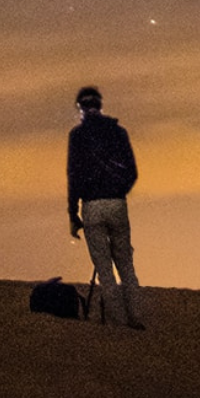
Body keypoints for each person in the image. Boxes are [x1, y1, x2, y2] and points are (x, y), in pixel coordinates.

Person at [66, 85, 145, 329]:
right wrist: (118, 191)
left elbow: (74, 176)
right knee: (126, 265)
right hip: (117, 204)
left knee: (105, 270)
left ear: (80, 108)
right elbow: (132, 171)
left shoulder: (77, 136)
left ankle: (120, 325)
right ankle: (136, 319)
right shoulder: (118, 133)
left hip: (92, 206)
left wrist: (73, 213)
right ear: (100, 105)